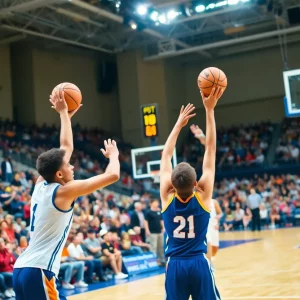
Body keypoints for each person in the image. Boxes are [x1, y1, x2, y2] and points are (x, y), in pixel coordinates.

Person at [13, 90, 120, 299]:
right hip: (39, 271)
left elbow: (65, 147)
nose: (72, 166)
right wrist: (114, 156)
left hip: (21, 269)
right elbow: (114, 174)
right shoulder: (65, 191)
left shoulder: (41, 182)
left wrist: (65, 115)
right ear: (59, 173)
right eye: (68, 165)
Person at [160, 87, 223, 300]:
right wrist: (209, 110)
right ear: (196, 183)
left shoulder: (167, 197)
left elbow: (166, 154)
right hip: (198, 262)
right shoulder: (204, 195)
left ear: (171, 184)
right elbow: (211, 150)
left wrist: (178, 124)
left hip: (175, 265)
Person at [190, 124, 223, 264]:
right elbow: (210, 150)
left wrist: (201, 137)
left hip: (207, 224)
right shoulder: (194, 196)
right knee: (207, 246)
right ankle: (207, 265)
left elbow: (209, 149)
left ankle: (207, 263)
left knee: (213, 248)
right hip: (199, 227)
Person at [144, 199, 165, 266]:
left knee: (160, 247)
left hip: (159, 232)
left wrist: (163, 227)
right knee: (153, 247)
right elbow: (146, 221)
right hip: (152, 232)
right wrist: (147, 230)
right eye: (155, 202)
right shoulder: (148, 212)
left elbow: (161, 220)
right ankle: (152, 261)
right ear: (151, 203)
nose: (157, 204)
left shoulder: (159, 212)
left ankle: (162, 260)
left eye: (157, 202)